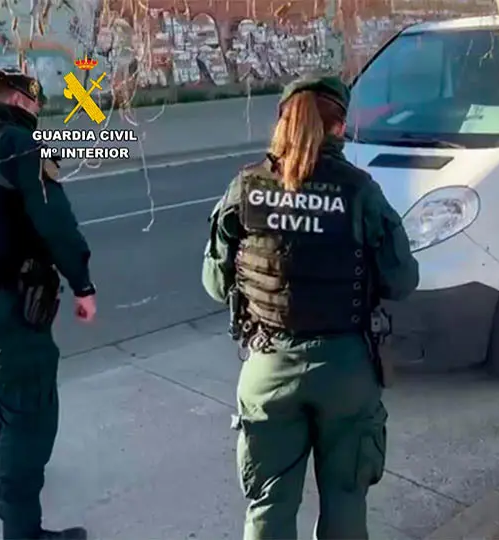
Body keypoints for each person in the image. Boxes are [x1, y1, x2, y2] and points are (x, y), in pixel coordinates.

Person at [201, 74, 419, 540]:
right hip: (345, 369)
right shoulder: (361, 192)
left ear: (282, 123)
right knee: (344, 498)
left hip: (268, 367)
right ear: (340, 128)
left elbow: (215, 284)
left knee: (268, 505)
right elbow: (402, 280)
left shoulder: (245, 187)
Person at [0, 68, 97, 540]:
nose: (36, 114)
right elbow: (56, 225)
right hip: (9, 306)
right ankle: (22, 532)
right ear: (20, 101)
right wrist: (83, 285)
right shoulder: (20, 146)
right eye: (34, 105)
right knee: (27, 420)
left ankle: (6, 507)